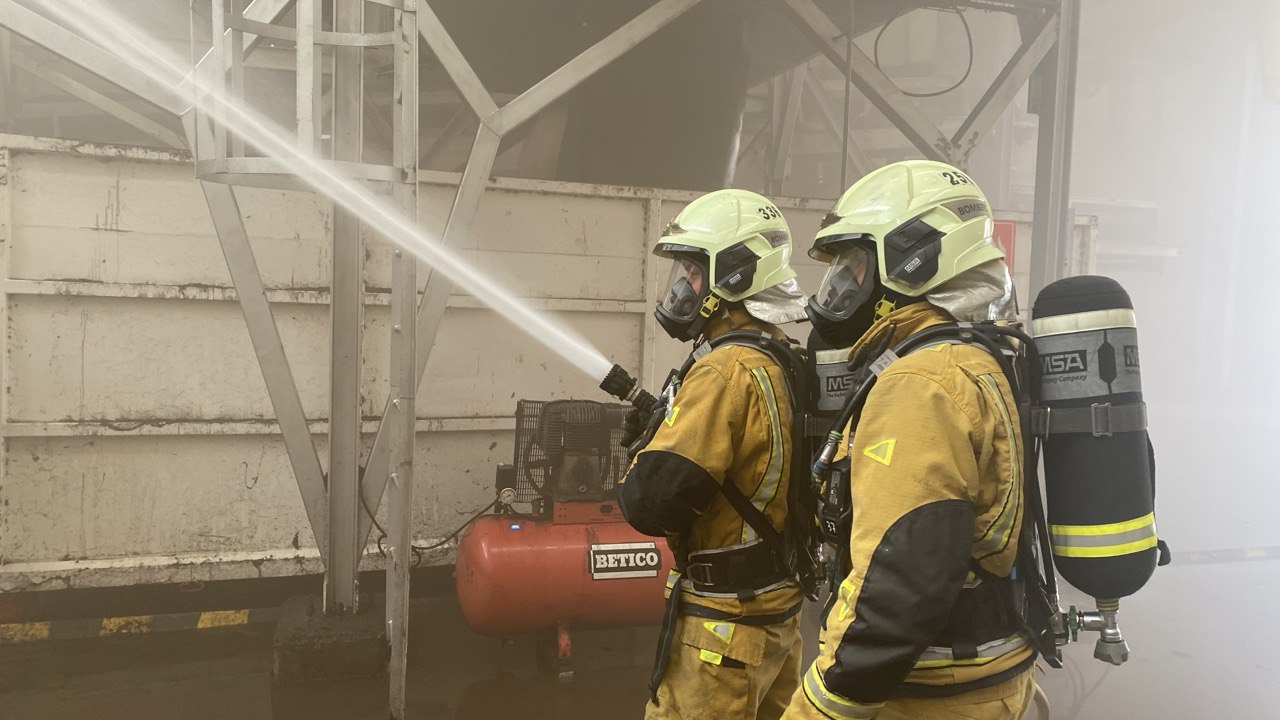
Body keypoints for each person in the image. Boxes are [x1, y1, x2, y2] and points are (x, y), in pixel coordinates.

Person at [784, 160, 1038, 720]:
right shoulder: (973, 356)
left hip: (929, 693)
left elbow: (896, 590)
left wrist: (816, 707)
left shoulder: (920, 383)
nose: (840, 286)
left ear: (913, 260)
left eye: (854, 264)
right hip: (983, 676)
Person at [618, 188, 812, 720]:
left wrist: (640, 449)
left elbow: (651, 504)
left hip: (722, 631)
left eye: (693, 271)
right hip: (776, 619)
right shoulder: (783, 357)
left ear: (735, 276)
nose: (683, 285)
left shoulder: (723, 371)